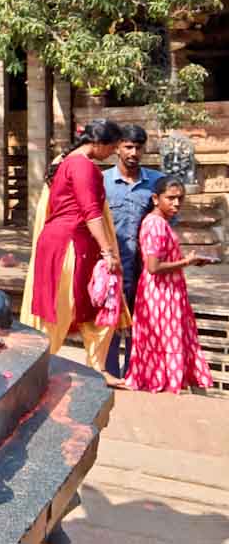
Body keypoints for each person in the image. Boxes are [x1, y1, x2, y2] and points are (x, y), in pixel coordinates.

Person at [21, 119, 131, 376]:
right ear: (97, 143)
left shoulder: (66, 161)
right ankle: (34, 371)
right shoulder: (82, 166)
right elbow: (91, 212)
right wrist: (108, 252)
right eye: (112, 147)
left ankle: (96, 370)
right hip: (68, 247)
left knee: (97, 308)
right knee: (58, 312)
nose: (113, 153)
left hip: (66, 244)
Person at [123, 177, 215, 393]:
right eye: (171, 198)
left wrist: (190, 261)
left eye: (180, 199)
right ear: (156, 199)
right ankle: (165, 388)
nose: (176, 203)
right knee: (165, 343)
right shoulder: (155, 224)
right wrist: (187, 262)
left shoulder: (159, 222)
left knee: (166, 342)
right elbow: (153, 267)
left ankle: (166, 385)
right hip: (160, 295)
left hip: (166, 292)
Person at [103, 124, 165, 378]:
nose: (133, 153)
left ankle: (134, 374)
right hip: (112, 267)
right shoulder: (102, 182)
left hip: (144, 269)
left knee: (139, 323)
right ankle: (108, 374)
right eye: (128, 147)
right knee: (109, 321)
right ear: (117, 148)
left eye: (138, 148)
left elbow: (165, 222)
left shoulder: (156, 182)